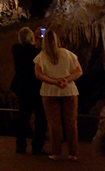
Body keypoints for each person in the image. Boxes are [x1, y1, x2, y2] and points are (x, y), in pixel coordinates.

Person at [34, 28, 83, 161]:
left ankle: (56, 152)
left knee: (54, 123)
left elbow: (38, 74)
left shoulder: (41, 57)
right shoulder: (68, 54)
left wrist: (54, 81)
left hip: (49, 92)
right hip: (69, 90)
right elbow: (79, 71)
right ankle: (73, 153)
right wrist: (66, 80)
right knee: (71, 122)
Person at [10, 26, 47, 155]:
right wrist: (39, 38)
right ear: (32, 39)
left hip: (22, 88)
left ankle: (20, 145)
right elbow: (43, 50)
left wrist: (32, 38)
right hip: (36, 88)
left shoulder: (16, 50)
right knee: (40, 117)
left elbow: (24, 46)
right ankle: (37, 146)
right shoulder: (37, 53)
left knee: (23, 117)